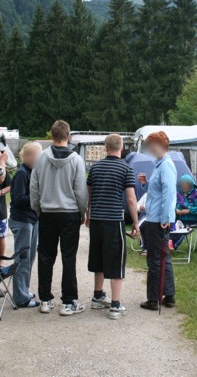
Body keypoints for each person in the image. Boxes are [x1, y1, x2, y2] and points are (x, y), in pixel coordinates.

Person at [30, 120, 88, 316]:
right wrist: (82, 211)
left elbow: (34, 187)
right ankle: (68, 302)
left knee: (46, 257)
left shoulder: (40, 158)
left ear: (51, 136)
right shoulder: (76, 160)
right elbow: (80, 190)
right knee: (68, 257)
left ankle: (45, 300)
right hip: (69, 213)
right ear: (68, 135)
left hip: (47, 213)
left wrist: (37, 208)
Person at [86, 134, 139, 320]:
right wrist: (135, 221)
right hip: (113, 220)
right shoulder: (126, 168)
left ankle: (98, 295)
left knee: (99, 257)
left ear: (105, 148)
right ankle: (115, 304)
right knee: (116, 260)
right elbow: (131, 199)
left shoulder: (95, 168)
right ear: (121, 147)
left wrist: (88, 213)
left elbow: (89, 194)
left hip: (97, 220)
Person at [138, 131, 177, 311]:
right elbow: (159, 191)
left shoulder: (166, 165)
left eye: (151, 145)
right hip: (155, 216)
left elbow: (169, 194)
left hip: (157, 219)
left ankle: (153, 298)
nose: (149, 149)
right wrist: (147, 183)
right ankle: (169, 294)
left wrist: (165, 218)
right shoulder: (159, 164)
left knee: (155, 259)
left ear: (158, 145)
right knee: (162, 256)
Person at [10, 142, 43, 309]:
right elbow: (17, 199)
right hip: (22, 221)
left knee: (29, 258)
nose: (40, 159)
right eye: (38, 155)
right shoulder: (22, 174)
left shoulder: (32, 172)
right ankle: (20, 297)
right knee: (23, 259)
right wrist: (37, 198)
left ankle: (24, 290)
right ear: (28, 156)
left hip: (31, 220)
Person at [0, 172, 12, 258]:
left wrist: (1, 192)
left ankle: (1, 260)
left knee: (1, 237)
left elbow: (10, 185)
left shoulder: (1, 168)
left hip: (0, 210)